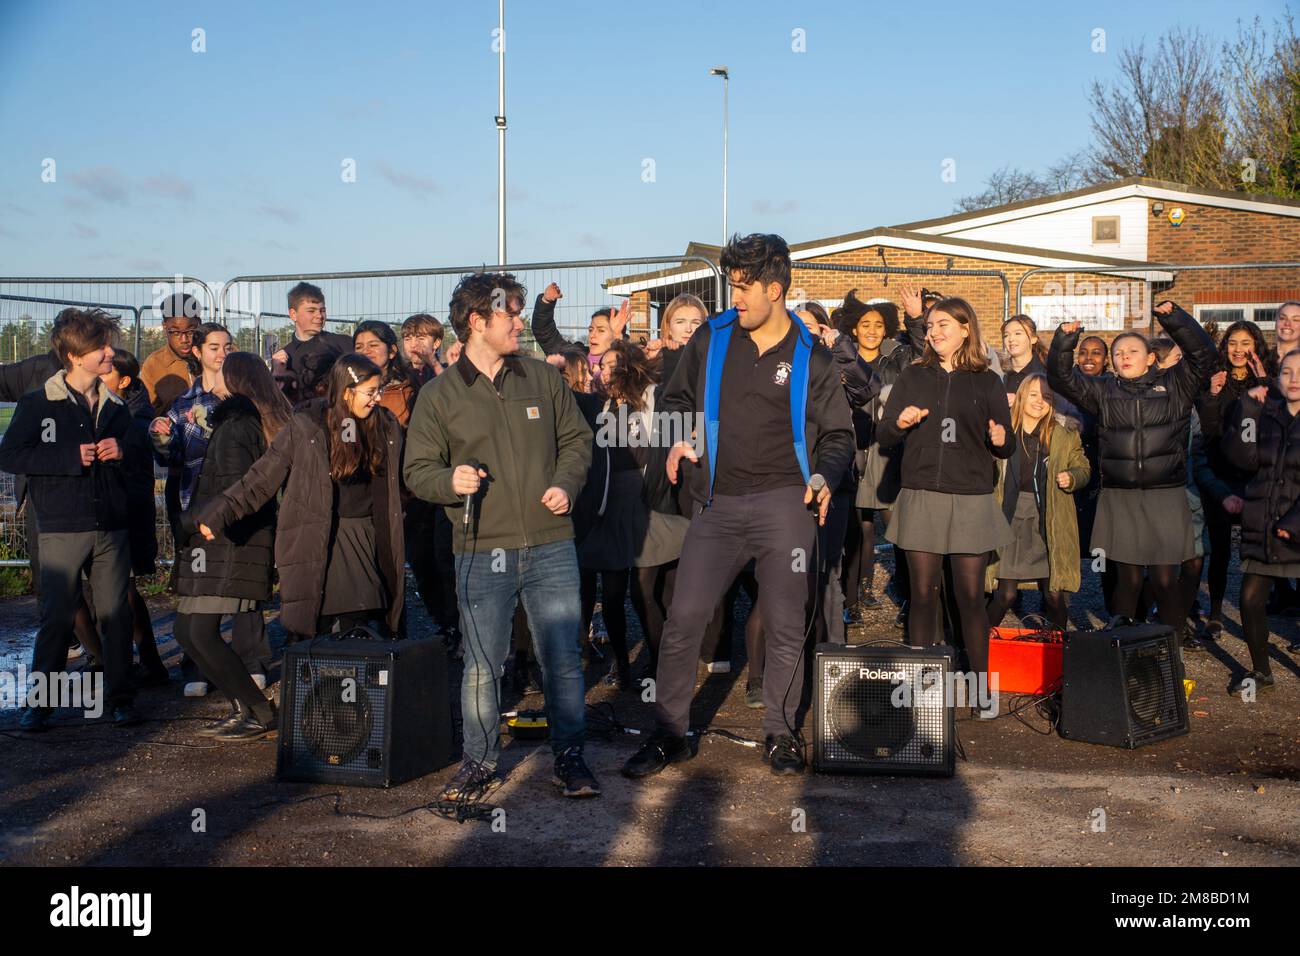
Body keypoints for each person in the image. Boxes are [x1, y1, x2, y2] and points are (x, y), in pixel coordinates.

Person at [621, 233, 855, 779]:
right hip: (716, 503)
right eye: (732, 285)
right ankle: (670, 733)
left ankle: (780, 732)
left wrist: (823, 475)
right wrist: (679, 439)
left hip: (786, 504)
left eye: (744, 287)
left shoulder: (812, 358)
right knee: (684, 617)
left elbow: (840, 435)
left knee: (785, 621)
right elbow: (676, 400)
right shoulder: (710, 338)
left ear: (776, 289)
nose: (736, 298)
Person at [404, 271, 599, 800]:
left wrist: (566, 482)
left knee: (561, 657)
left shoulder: (542, 378)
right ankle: (479, 761)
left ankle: (570, 757)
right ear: (477, 321)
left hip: (552, 543)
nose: (519, 322)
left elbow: (578, 441)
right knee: (482, 665)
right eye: (510, 314)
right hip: (479, 549)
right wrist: (449, 481)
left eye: (519, 312)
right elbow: (416, 470)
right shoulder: (439, 396)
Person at [196, 353, 406, 645]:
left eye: (378, 391)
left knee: (361, 621)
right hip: (319, 536)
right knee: (318, 622)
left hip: (368, 537)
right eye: (370, 392)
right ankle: (317, 685)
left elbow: (408, 477)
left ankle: (357, 687)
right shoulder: (308, 426)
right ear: (346, 391)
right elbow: (261, 477)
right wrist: (220, 512)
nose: (376, 399)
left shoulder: (386, 427)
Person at [0, 309, 142, 730]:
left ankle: (122, 698)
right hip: (61, 526)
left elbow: (139, 456)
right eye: (101, 347)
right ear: (75, 356)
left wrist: (125, 451)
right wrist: (66, 459)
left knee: (115, 615)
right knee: (57, 618)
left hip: (111, 527)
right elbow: (9, 454)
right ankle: (41, 704)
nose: (110, 353)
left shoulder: (117, 406)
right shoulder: (38, 402)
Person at [1047, 301, 1216, 645]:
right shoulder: (1103, 391)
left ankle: (1168, 647)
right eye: (1119, 351)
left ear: (1150, 357)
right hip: (1119, 497)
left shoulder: (1176, 386)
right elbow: (1060, 377)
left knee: (1165, 579)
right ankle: (1123, 654)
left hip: (1165, 497)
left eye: (1133, 350)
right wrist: (1064, 342)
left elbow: (1204, 355)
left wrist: (1173, 318)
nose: (1124, 356)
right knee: (1129, 581)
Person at [876, 296, 1013, 682]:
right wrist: (899, 423)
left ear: (966, 329)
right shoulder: (912, 377)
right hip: (922, 496)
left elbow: (1008, 444)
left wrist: (1001, 438)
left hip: (971, 499)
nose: (934, 332)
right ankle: (924, 686)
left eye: (943, 326)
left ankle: (981, 685)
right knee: (923, 594)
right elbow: (884, 434)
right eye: (931, 326)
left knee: (969, 597)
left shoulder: (988, 381)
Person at [177, 353, 292, 740]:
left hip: (225, 544)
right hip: (221, 544)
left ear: (235, 381)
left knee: (198, 632)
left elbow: (235, 488)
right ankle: (243, 706)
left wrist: (197, 521)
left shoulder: (238, 425)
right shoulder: (244, 421)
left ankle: (259, 712)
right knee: (186, 631)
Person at [150, 322, 236, 694]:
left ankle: (251, 660)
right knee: (197, 580)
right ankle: (198, 663)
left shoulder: (244, 400)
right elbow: (168, 454)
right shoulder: (183, 405)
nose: (222, 353)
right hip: (192, 504)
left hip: (238, 502)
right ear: (198, 353)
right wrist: (160, 437)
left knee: (241, 580)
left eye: (228, 346)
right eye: (214, 347)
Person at [838, 288, 927, 627]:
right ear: (854, 329)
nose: (872, 331)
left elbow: (923, 350)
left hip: (891, 451)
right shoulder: (843, 358)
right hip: (854, 450)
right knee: (857, 530)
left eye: (878, 324)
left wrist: (916, 318)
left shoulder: (899, 357)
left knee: (899, 527)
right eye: (865, 324)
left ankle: (908, 595)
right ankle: (855, 596)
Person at [1220, 348, 1300, 694]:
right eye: (1286, 373)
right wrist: (1248, 411)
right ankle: (1261, 670)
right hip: (1264, 524)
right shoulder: (1266, 414)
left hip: (1294, 527)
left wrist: (1295, 522)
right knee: (1251, 598)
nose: (1294, 379)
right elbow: (1242, 457)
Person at [984, 374, 1090, 630]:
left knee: (1053, 594)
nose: (1040, 401)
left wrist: (1073, 477)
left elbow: (1083, 467)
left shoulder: (1064, 435)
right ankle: (977, 646)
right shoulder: (1003, 430)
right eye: (1034, 394)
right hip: (1009, 516)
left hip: (1048, 519)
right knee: (1006, 594)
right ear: (1020, 397)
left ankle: (1058, 649)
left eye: (1047, 396)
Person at [1196, 321, 1272, 637]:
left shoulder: (1267, 380)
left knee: (1259, 548)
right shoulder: (1216, 379)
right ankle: (1214, 612)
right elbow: (1209, 430)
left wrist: (1267, 383)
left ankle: (1260, 611)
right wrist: (1212, 394)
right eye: (1232, 343)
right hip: (1222, 473)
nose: (1238, 350)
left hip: (1258, 477)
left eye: (1246, 343)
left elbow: (1278, 421)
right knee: (1221, 547)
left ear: (1256, 346)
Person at [98, 349, 167, 685]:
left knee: (122, 590)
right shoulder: (109, 409)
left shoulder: (136, 418)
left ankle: (139, 664)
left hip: (128, 511)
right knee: (112, 590)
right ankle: (126, 661)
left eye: (105, 374)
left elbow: (137, 465)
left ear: (123, 381)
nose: (98, 380)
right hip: (110, 511)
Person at [530, 281, 631, 387]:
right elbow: (545, 334)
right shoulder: (573, 356)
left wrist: (618, 339)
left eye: (601, 330)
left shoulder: (627, 365)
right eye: (591, 329)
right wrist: (546, 302)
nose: (593, 335)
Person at [270, 282, 351, 404]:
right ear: (293, 314)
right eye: (311, 311)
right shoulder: (284, 357)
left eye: (322, 310)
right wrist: (277, 373)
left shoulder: (343, 344)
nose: (319, 315)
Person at [140, 292, 198, 416]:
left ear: (199, 323)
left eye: (191, 331)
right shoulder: (154, 364)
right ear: (164, 327)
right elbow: (146, 413)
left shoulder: (215, 355)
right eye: (175, 332)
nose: (184, 339)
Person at [354, 320, 418, 427]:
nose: (365, 351)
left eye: (373, 345)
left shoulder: (407, 391)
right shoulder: (345, 389)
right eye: (359, 347)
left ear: (392, 351)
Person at [1000, 314, 1050, 398]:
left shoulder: (1046, 372)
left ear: (1033, 339)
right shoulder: (998, 371)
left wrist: (1019, 402)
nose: (1011, 339)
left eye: (1018, 333)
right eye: (1006, 335)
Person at [400, 313, 446, 386]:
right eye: (408, 339)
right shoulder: (399, 376)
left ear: (436, 343)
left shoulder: (449, 373)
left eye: (420, 338)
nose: (413, 345)